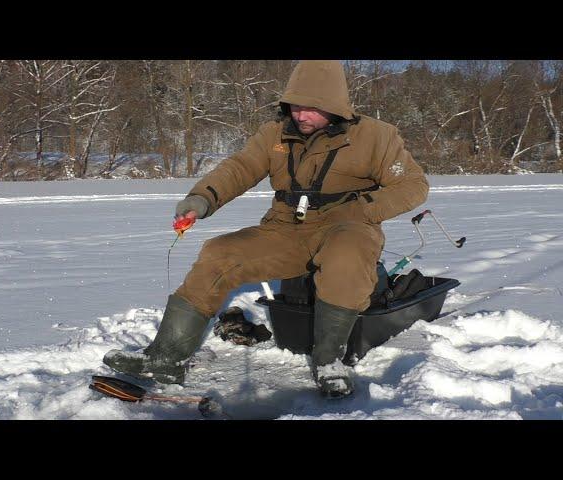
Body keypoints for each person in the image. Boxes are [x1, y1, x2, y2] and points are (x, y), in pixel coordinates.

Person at [103, 60, 429, 398]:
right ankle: (165, 358)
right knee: (219, 254)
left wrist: (365, 210)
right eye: (295, 106)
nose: (300, 115)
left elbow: (413, 185)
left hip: (348, 225)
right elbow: (240, 168)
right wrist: (200, 199)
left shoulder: (376, 136)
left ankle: (330, 361)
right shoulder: (275, 134)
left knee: (345, 257)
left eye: (311, 108)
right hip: (285, 229)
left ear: (334, 106)